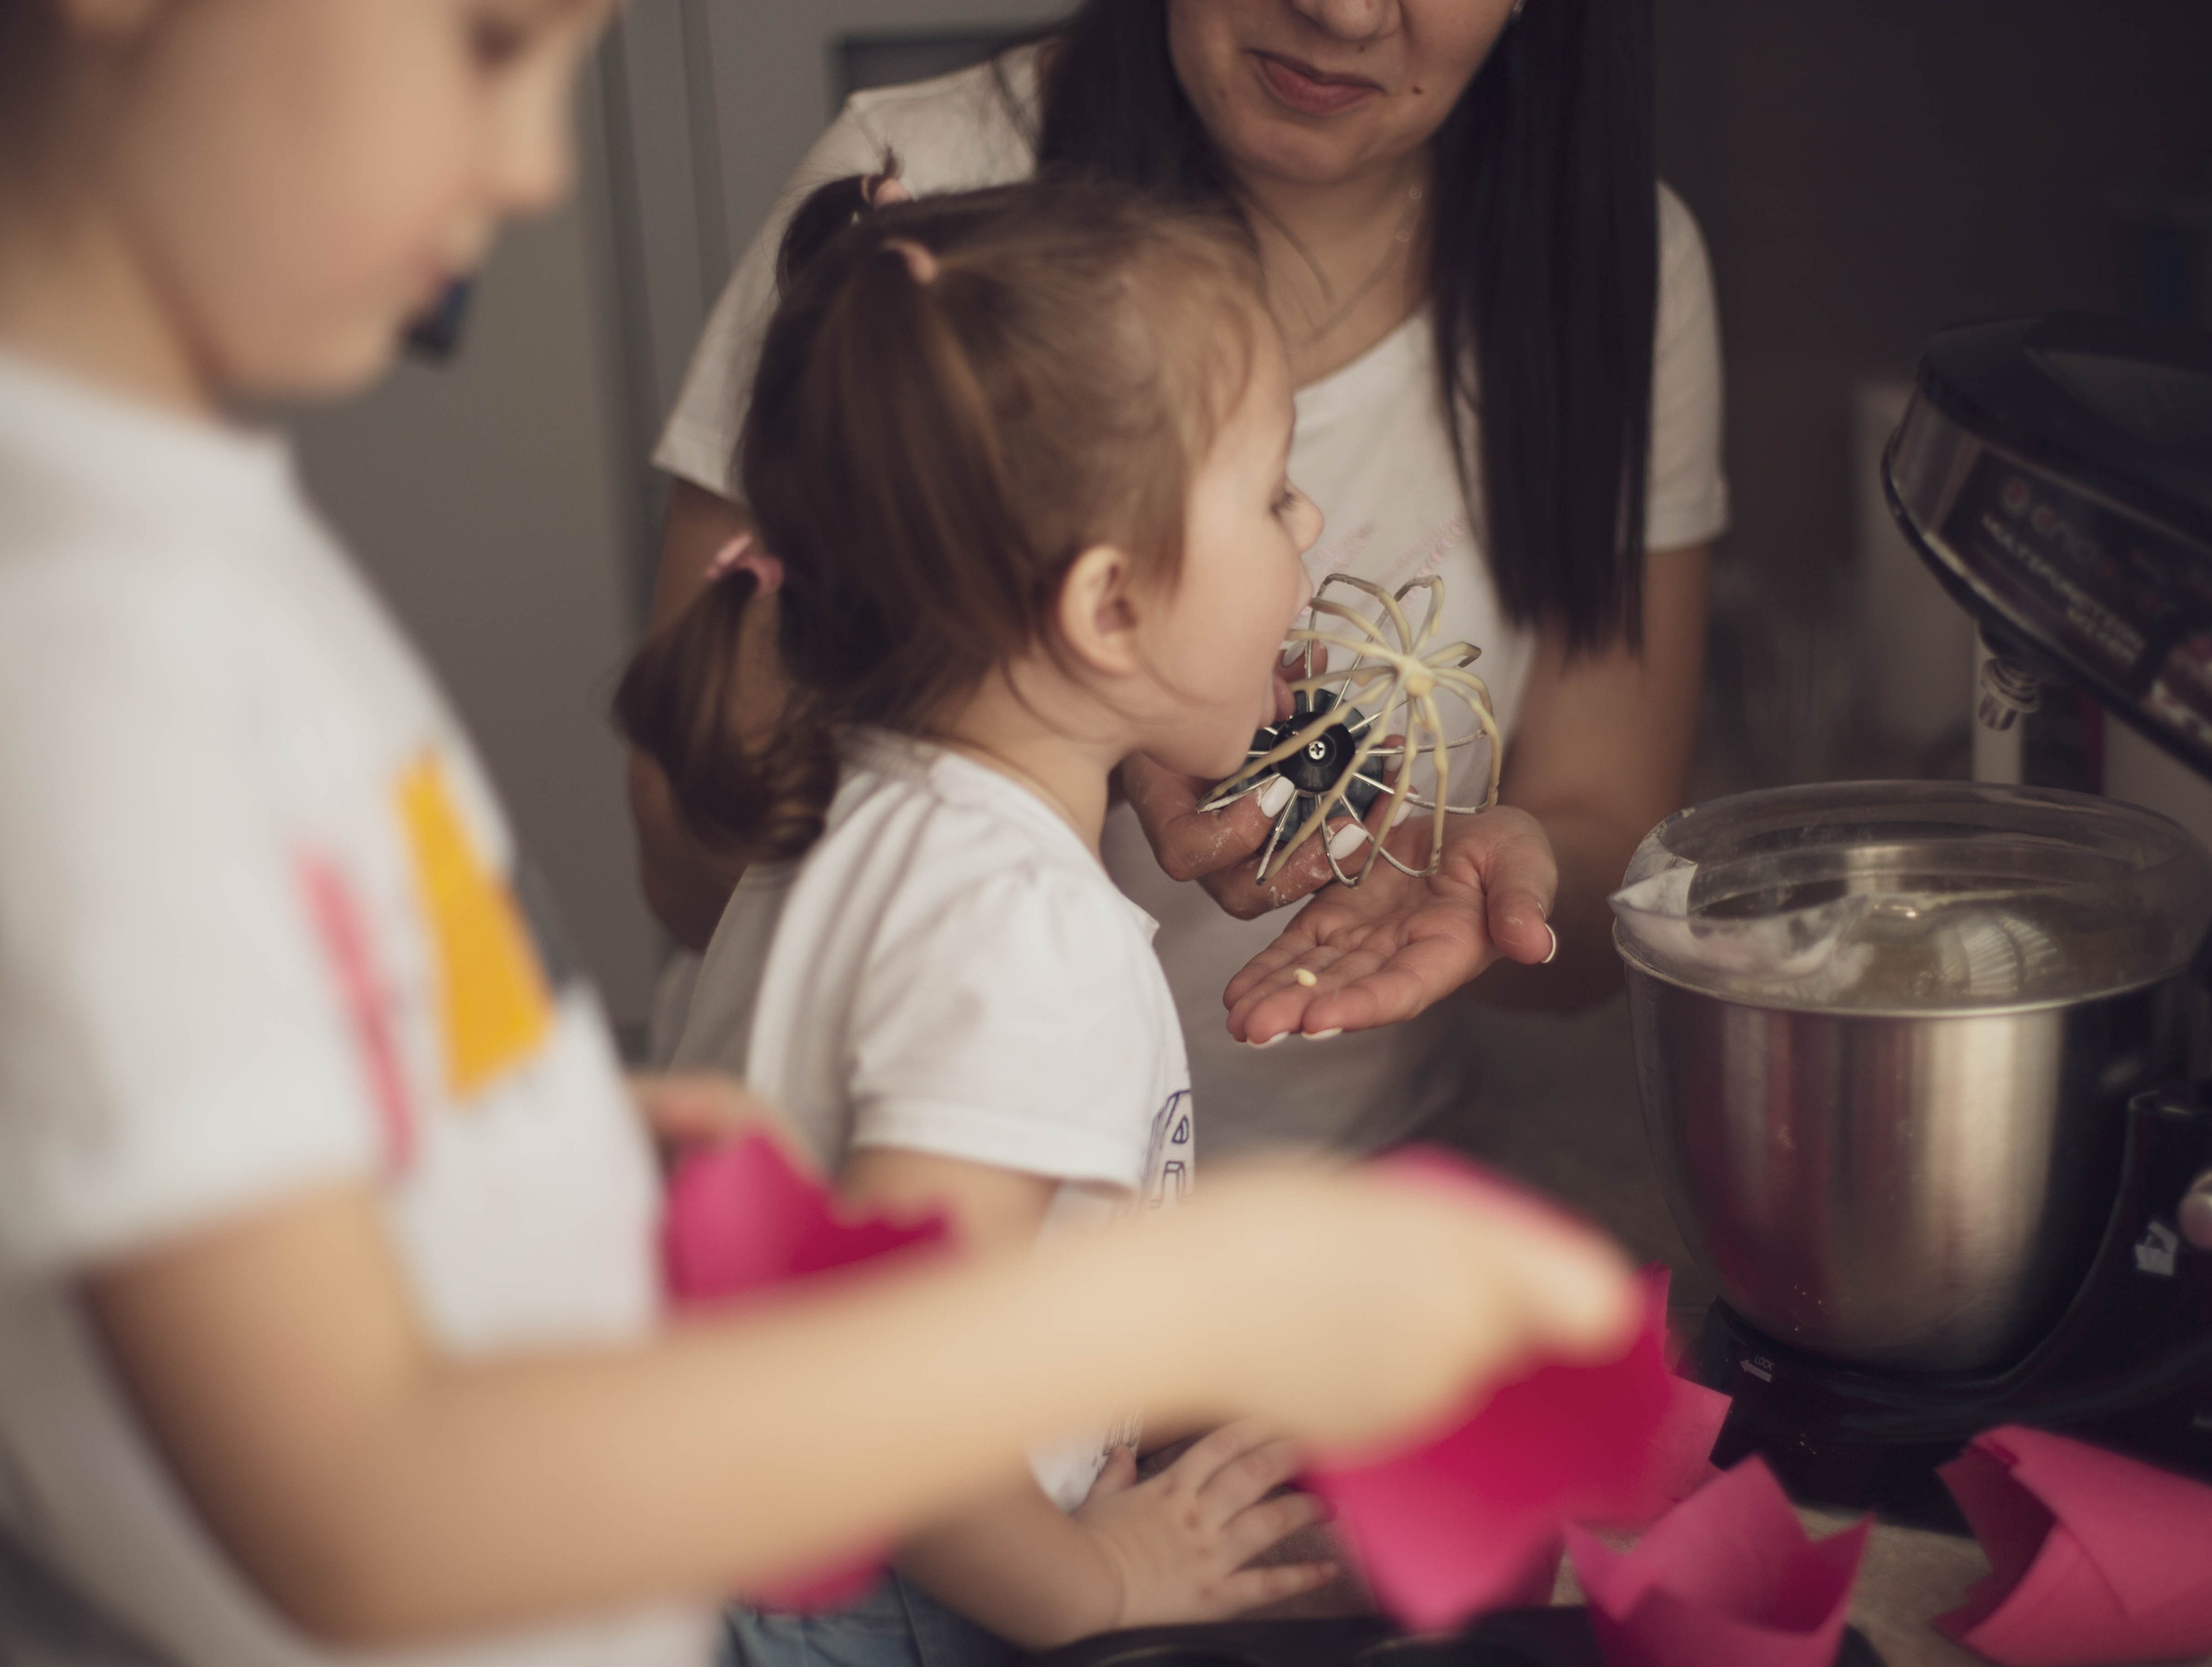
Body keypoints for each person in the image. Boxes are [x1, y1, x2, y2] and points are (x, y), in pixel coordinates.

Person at [0, 3, 1646, 1664]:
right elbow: (356, 1504)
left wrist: (548, 1157)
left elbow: (277, 1068)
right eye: (491, 46)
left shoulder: (194, 556)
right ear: (1105, 602)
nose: (531, 167)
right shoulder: (93, 639)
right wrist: (1204, 1300)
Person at [633, 0, 1726, 1164]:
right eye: (1268, 498)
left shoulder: (1618, 264)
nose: (1343, 10)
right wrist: (1056, 711)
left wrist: (1482, 876)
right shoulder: (924, 220)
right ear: (1102, 606)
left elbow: (1608, 835)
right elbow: (688, 844)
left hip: (1269, 1202)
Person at [618, 171, 1344, 1667]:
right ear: (1107, 611)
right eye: (1273, 490)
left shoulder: (847, 813)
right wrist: (1099, 1575)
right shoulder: (1024, 935)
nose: (1311, 521)